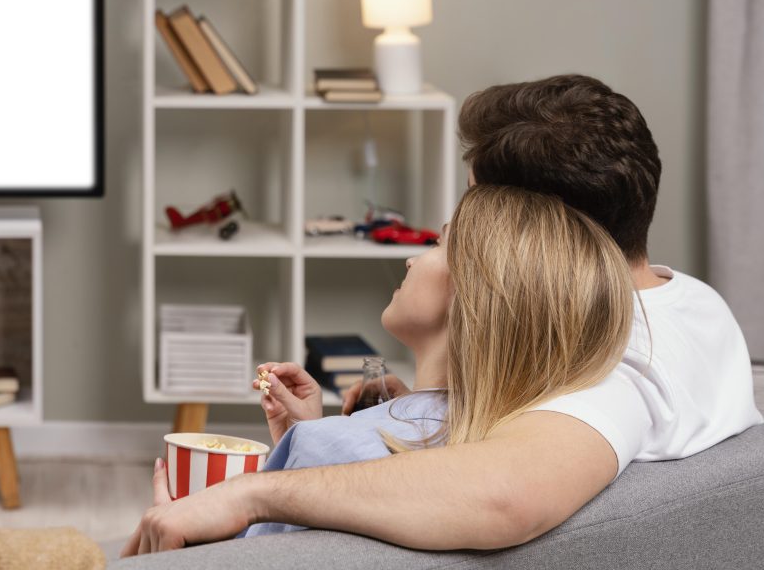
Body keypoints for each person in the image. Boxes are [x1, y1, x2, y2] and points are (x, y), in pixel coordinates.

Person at [123, 74, 761, 556]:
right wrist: (415, 414)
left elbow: (505, 494)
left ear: (528, 233)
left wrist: (251, 492)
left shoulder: (613, 370)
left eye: (475, 214)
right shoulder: (693, 302)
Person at [243, 184, 636, 537]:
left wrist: (310, 448)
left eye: (436, 244)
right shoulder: (519, 451)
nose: (411, 260)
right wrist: (306, 441)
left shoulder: (329, 451)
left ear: (472, 291)